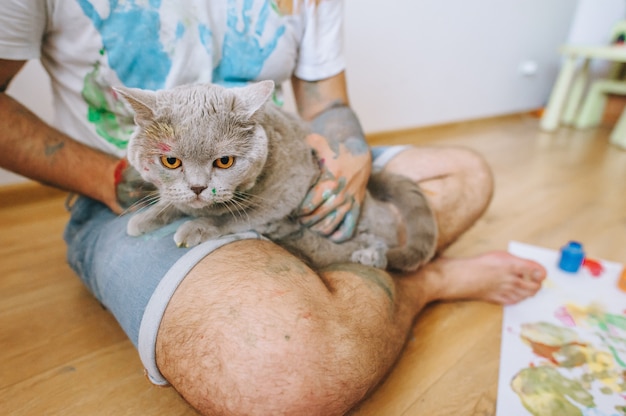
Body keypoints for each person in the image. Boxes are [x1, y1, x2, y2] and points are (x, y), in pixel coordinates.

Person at [0, 1, 546, 415]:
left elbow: (326, 102)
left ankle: (320, 279)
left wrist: (347, 158)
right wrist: (109, 177)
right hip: (130, 190)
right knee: (282, 374)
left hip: (280, 162)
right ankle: (423, 283)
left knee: (466, 174)